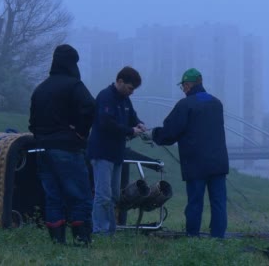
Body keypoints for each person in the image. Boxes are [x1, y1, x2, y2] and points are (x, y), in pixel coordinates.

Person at [148, 68, 229, 238]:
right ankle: (218, 238)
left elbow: (170, 132)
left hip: (196, 164)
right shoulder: (217, 103)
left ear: (188, 85)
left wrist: (153, 135)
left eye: (183, 86)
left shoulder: (185, 105)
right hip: (218, 163)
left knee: (195, 203)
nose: (183, 90)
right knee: (219, 203)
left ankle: (193, 237)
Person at [29, 44, 96, 245]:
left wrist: (43, 136)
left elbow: (32, 123)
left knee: (53, 197)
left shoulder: (40, 89)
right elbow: (90, 107)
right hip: (67, 148)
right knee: (80, 196)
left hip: (42, 149)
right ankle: (81, 240)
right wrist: (81, 132)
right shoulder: (74, 85)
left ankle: (57, 242)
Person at [87, 66, 146, 236]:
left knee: (113, 196)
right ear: (120, 82)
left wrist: (139, 124)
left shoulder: (125, 99)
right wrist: (130, 131)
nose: (132, 92)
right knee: (102, 195)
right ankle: (99, 231)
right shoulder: (106, 97)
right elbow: (106, 123)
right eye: (130, 88)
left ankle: (110, 230)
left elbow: (132, 117)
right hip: (102, 153)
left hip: (117, 154)